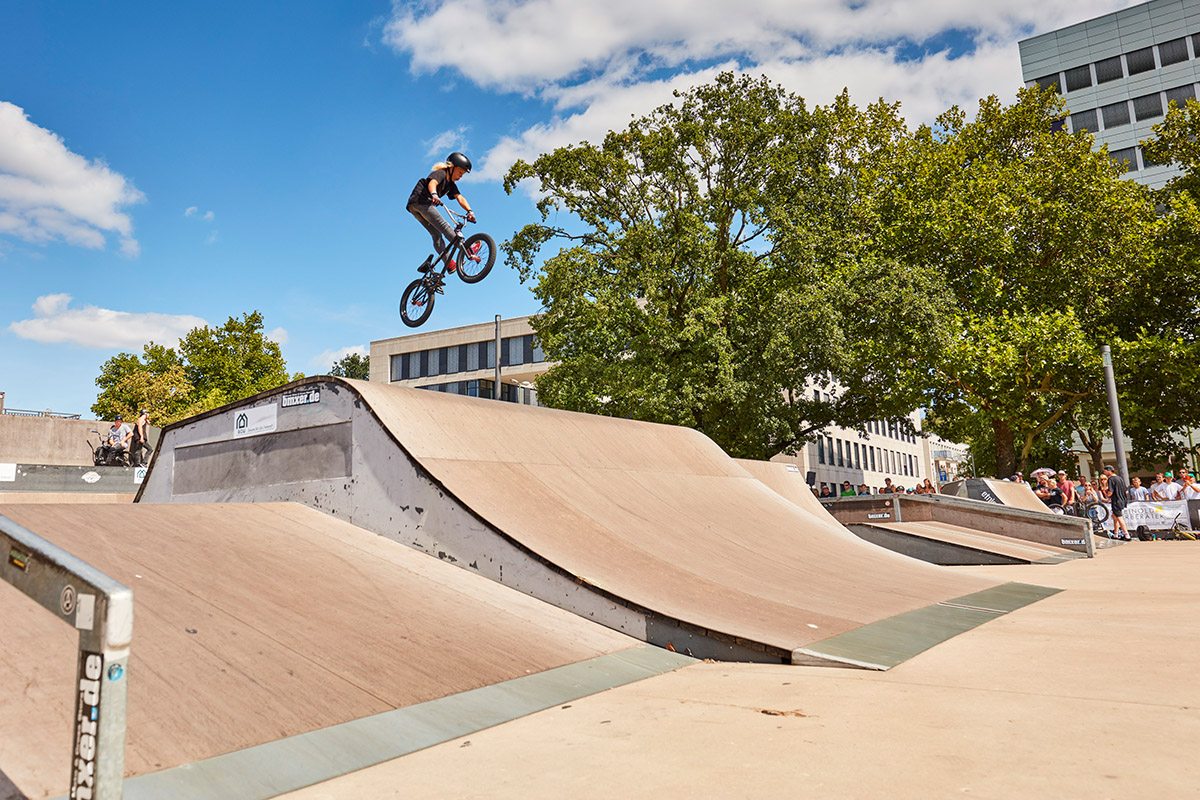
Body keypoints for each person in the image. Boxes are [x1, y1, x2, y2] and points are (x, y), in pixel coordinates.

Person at [407, 152, 476, 273]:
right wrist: (434, 194)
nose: (460, 176)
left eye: (463, 174)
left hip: (414, 207)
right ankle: (468, 250)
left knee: (436, 234)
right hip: (421, 201)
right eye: (460, 172)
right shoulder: (441, 173)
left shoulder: (451, 185)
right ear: (451, 167)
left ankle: (449, 264)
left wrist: (470, 211)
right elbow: (432, 183)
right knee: (445, 226)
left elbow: (460, 198)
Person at [1103, 465, 1131, 540]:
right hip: (1122, 500)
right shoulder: (1120, 478)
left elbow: (1110, 492)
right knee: (1114, 517)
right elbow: (1126, 491)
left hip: (1116, 501)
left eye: (1105, 471)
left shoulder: (1111, 479)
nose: (1104, 472)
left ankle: (1127, 535)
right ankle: (1115, 534)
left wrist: (1106, 495)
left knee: (1119, 518)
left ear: (1109, 471)